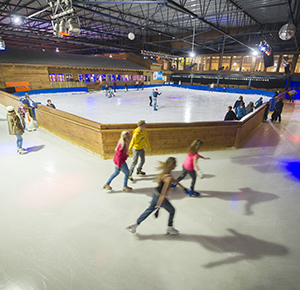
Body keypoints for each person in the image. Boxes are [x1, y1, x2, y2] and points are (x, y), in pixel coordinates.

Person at [127, 157, 187, 235]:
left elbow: (175, 181)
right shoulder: (168, 178)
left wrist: (184, 188)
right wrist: (158, 206)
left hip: (155, 193)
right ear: (172, 165)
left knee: (149, 209)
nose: (176, 165)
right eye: (175, 164)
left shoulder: (165, 173)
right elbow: (163, 194)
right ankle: (170, 228)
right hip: (159, 197)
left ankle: (134, 225)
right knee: (172, 210)